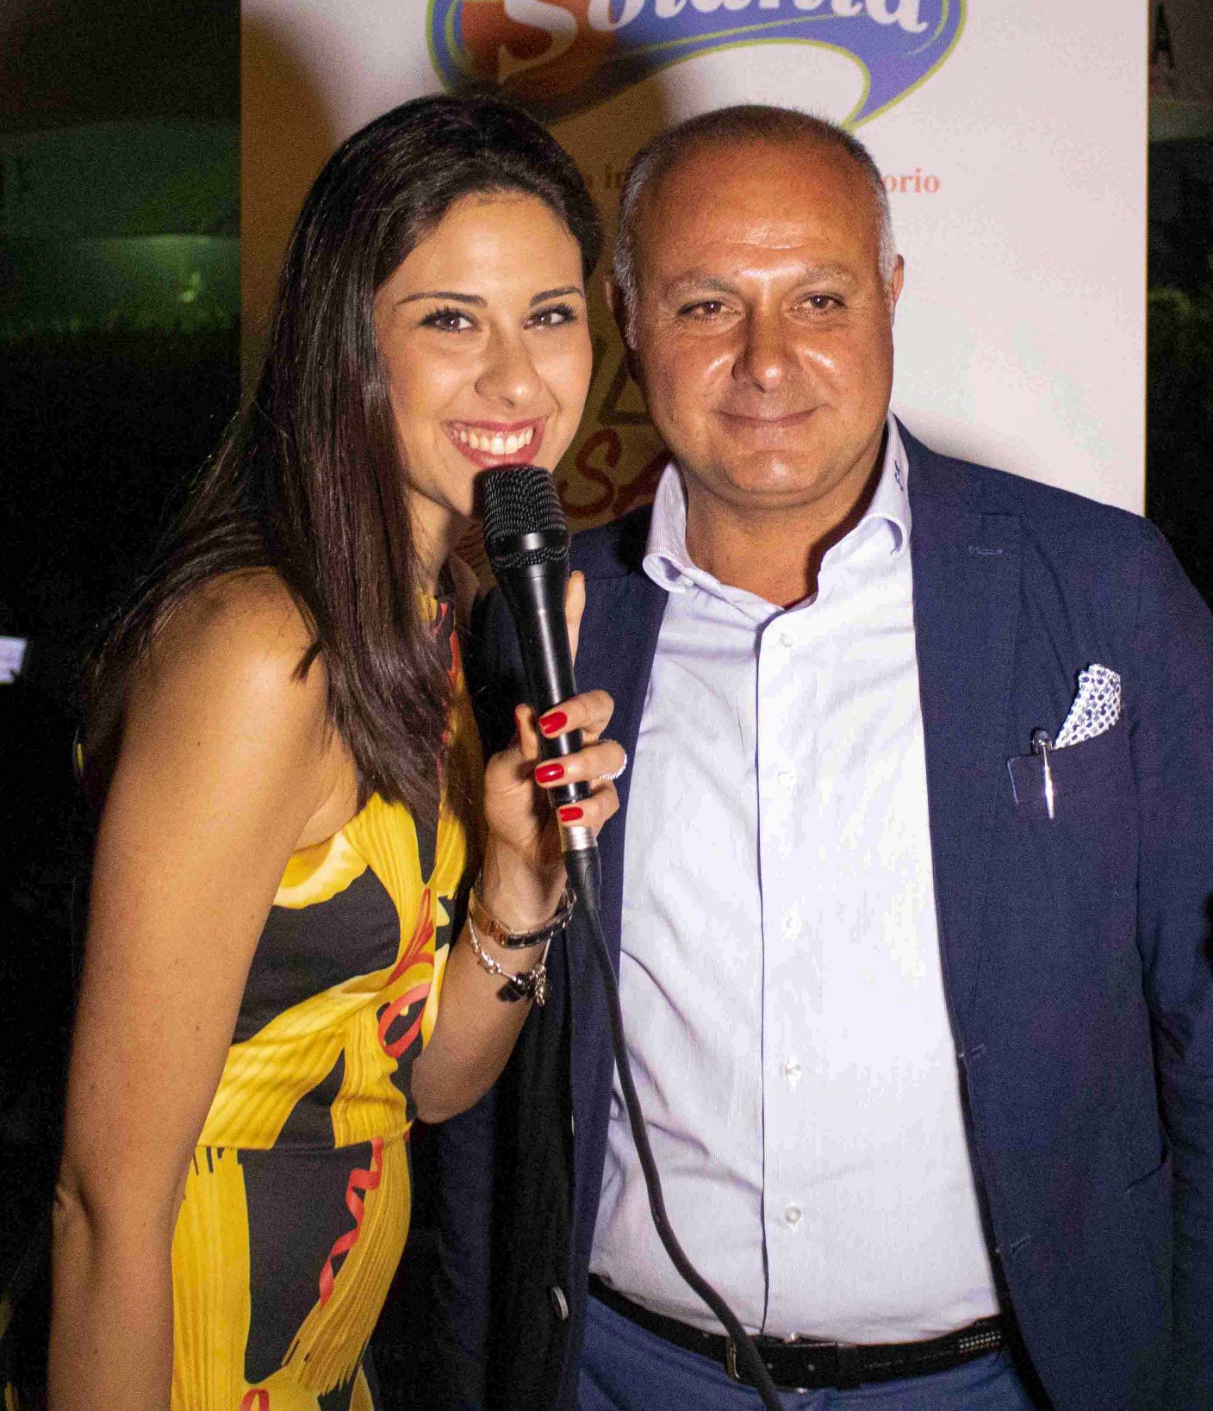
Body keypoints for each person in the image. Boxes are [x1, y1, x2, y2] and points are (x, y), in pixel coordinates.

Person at [436, 105, 1213, 1411]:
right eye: (705, 306)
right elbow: (486, 1104)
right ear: (628, 317)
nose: (765, 359)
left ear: (890, 295)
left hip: (1009, 1382)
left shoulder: (1102, 587)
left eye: (818, 298)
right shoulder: (541, 626)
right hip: (624, 1372)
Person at [48, 92, 625, 1411]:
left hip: (315, 1368)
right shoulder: (266, 651)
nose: (517, 380)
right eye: (449, 321)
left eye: (549, 315)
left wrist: (518, 884)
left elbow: (424, 1083)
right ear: (346, 345)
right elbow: (102, 1202)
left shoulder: (438, 623)